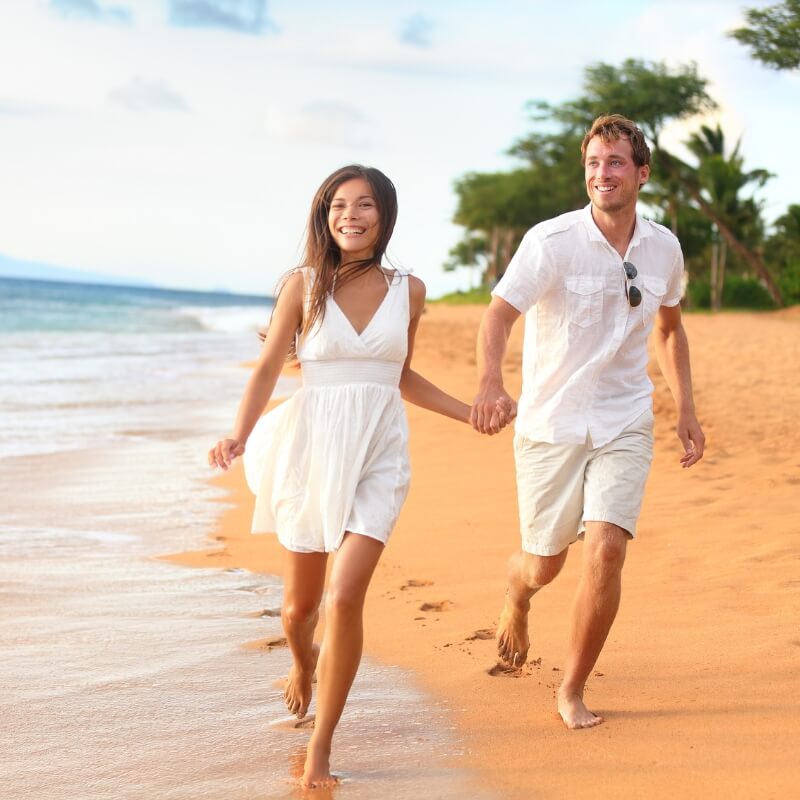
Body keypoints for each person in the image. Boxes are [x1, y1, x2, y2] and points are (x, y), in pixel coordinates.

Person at [208, 165, 482, 788]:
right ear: (324, 214)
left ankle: (323, 747)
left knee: (344, 597)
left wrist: (467, 413)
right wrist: (238, 434)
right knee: (297, 610)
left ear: (384, 215)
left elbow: (399, 375)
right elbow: (267, 368)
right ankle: (303, 665)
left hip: (378, 455)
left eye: (363, 205)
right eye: (338, 205)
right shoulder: (301, 286)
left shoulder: (409, 290)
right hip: (312, 450)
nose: (350, 216)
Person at [471, 115, 705, 730]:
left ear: (641, 173)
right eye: (595, 163)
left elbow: (670, 328)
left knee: (605, 551)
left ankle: (571, 688)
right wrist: (491, 381)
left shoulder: (663, 247)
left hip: (625, 418)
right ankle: (516, 594)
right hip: (551, 423)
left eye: (617, 162)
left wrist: (685, 409)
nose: (603, 174)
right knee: (544, 564)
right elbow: (497, 315)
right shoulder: (551, 242)